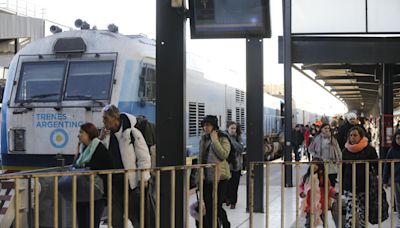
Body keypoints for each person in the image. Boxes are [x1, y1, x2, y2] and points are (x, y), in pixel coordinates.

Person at [100, 104, 151, 228]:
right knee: (115, 220)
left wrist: (143, 178)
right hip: (114, 185)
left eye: (106, 118)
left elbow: (143, 157)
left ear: (115, 118)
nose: (103, 122)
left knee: (137, 219)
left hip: (131, 185)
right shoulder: (107, 135)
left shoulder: (132, 133)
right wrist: (101, 139)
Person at [74, 123, 113, 228]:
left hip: (96, 194)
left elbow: (107, 166)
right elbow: (76, 165)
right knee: (82, 224)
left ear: (89, 134)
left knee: (91, 224)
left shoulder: (99, 148)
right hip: (82, 193)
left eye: (81, 132)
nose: (79, 135)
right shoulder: (83, 149)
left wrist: (87, 165)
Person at [198, 115, 231, 228]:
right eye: (204, 125)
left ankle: (226, 224)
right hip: (206, 178)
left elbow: (224, 155)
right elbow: (201, 158)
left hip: (220, 177)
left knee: (217, 205)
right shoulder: (203, 139)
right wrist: (199, 176)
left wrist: (215, 140)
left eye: (207, 125)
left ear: (213, 126)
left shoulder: (223, 138)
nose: (205, 128)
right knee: (208, 206)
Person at [342, 126, 378, 228]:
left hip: (365, 185)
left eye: (355, 135)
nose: (352, 138)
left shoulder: (369, 150)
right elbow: (343, 169)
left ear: (361, 136)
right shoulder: (345, 151)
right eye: (351, 135)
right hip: (349, 185)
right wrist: (342, 186)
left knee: (363, 211)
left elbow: (376, 166)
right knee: (351, 211)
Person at [299, 157, 336, 228]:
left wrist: (334, 193)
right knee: (309, 223)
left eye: (316, 166)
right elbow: (302, 186)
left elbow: (329, 188)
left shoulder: (324, 178)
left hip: (322, 205)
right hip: (310, 205)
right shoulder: (307, 177)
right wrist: (302, 193)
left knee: (324, 222)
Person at [225, 121, 244, 210]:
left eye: (234, 128)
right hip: (226, 166)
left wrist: (231, 140)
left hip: (236, 166)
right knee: (227, 184)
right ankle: (227, 199)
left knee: (234, 184)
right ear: (227, 128)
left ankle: (233, 202)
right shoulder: (223, 138)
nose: (233, 130)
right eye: (231, 128)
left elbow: (240, 149)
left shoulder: (238, 138)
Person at [383, 131, 400, 227]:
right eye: (398, 138)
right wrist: (385, 180)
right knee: (398, 201)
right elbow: (387, 166)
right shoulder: (392, 151)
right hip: (396, 179)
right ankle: (399, 218)